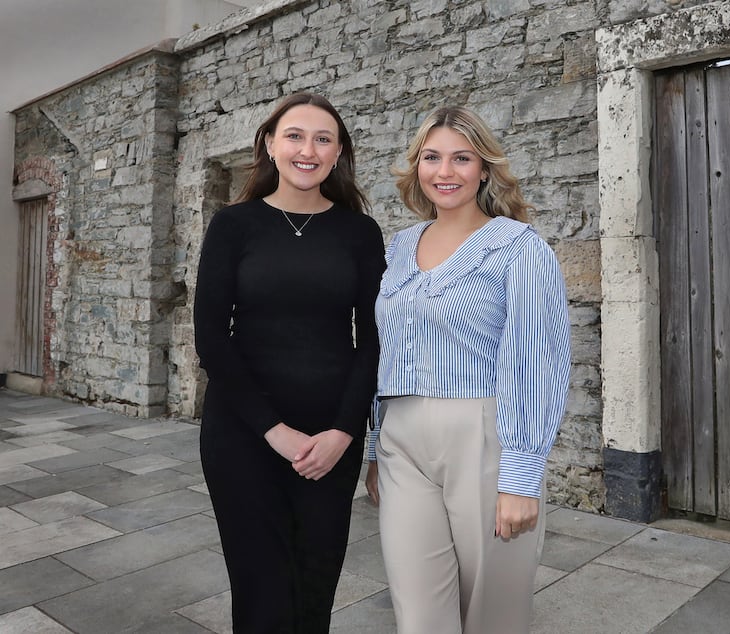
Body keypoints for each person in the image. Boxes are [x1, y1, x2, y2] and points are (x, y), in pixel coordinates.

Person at [365, 106, 571, 634]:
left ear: (484, 168)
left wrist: (521, 478)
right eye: (432, 158)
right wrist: (372, 448)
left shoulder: (518, 248)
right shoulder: (398, 248)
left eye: (462, 158)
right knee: (417, 614)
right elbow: (379, 348)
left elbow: (538, 361)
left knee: (492, 615)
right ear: (417, 168)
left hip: (483, 437)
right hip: (400, 440)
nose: (445, 171)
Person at [194, 92, 385, 633]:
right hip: (242, 435)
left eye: (323, 138)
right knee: (262, 592)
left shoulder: (359, 233)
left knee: (314, 586)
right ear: (270, 145)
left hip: (331, 438)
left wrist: (345, 432)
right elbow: (212, 338)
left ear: (339, 152)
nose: (308, 149)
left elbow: (373, 341)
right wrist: (273, 431)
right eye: (295, 136)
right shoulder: (234, 226)